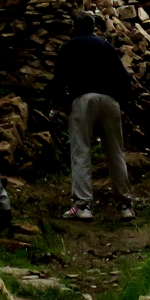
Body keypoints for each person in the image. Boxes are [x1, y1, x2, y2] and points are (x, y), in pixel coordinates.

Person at [50, 11, 134, 221]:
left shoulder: (68, 47)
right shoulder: (105, 46)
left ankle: (83, 206)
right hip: (109, 100)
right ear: (93, 27)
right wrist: (122, 103)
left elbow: (59, 80)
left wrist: (55, 106)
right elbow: (123, 77)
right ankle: (125, 205)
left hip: (83, 99)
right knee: (115, 152)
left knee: (81, 151)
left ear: (74, 27)